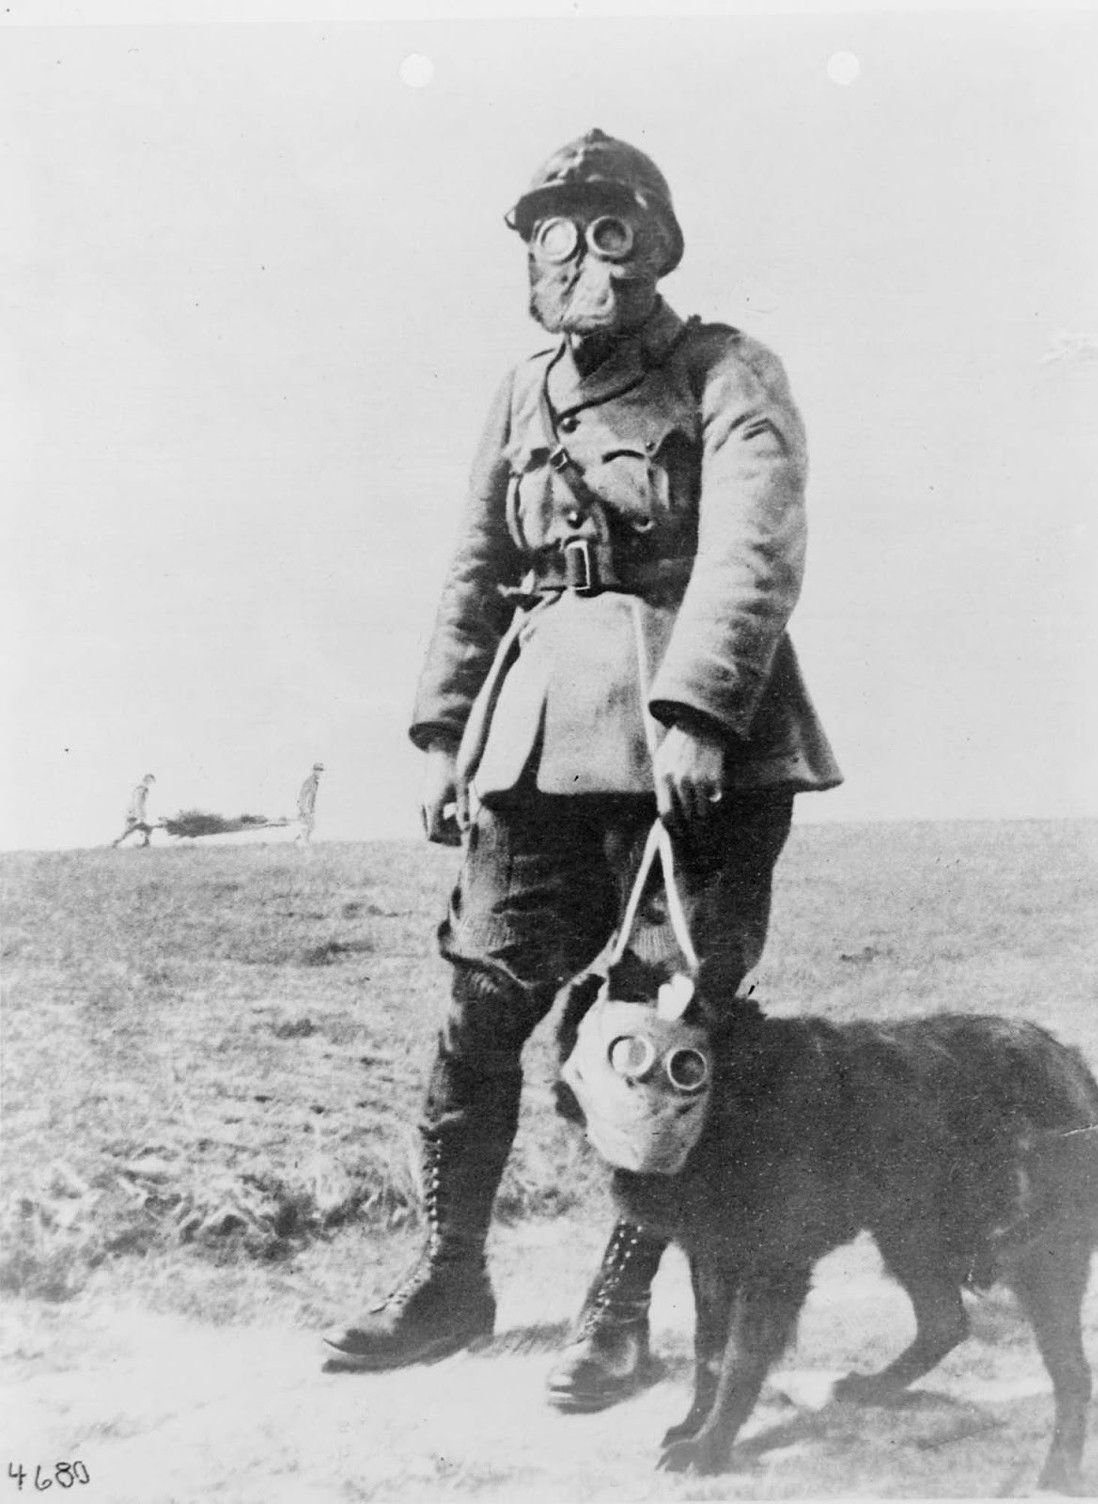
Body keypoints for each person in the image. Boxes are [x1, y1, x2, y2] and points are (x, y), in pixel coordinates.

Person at [322, 129, 842, 1407]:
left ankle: (618, 1313)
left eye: (611, 227)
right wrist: (447, 732)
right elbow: (474, 569)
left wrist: (703, 710)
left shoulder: (728, 368)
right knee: (481, 1011)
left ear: (657, 242)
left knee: (654, 1032)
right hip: (536, 739)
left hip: (691, 752)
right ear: (533, 256)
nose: (583, 256)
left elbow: (753, 547)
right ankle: (450, 1279)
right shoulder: (521, 388)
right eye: (556, 230)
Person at [112, 773, 156, 848]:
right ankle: (116, 842)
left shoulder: (139, 788)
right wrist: (140, 815)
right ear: (146, 780)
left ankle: (146, 843)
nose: (150, 783)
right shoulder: (142, 789)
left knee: (145, 829)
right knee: (130, 830)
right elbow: (138, 802)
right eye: (150, 781)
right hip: (134, 813)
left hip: (132, 812)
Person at [295, 762, 324, 845]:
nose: (320, 772)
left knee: (309, 826)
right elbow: (303, 795)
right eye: (318, 770)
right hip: (305, 809)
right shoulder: (309, 781)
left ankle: (302, 840)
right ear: (314, 771)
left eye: (321, 770)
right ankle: (302, 841)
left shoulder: (315, 782)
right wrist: (304, 809)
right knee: (310, 825)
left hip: (309, 809)